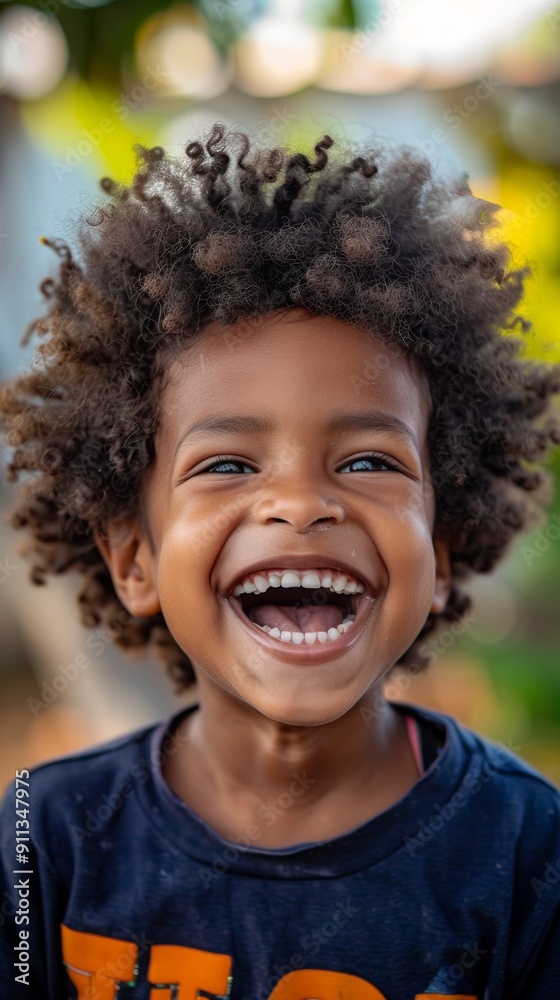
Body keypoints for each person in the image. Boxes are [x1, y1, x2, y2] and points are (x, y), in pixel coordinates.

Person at [0, 123, 559, 1000]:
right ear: (135, 560)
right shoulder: (48, 837)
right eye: (227, 464)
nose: (300, 503)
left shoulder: (530, 851)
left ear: (441, 555)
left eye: (369, 461)